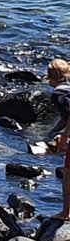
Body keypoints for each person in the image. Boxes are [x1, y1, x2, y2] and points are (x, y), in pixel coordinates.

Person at [46, 59, 70, 219]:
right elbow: (66, 117)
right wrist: (52, 132)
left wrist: (64, 136)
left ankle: (65, 213)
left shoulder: (59, 93)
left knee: (67, 174)